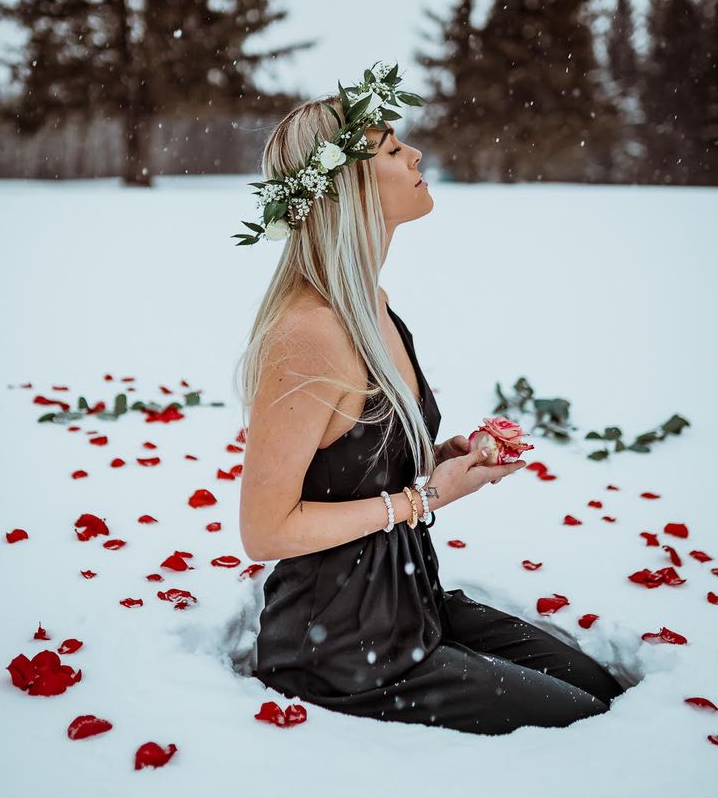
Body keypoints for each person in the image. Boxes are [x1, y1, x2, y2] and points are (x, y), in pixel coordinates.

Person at [233, 62, 625, 734]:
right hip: (341, 649)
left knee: (601, 688)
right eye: (390, 148)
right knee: (584, 722)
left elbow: (353, 463)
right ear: (350, 186)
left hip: (413, 606)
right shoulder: (306, 335)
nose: (413, 153)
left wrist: (442, 458)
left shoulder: (371, 307)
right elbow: (265, 530)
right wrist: (425, 498)